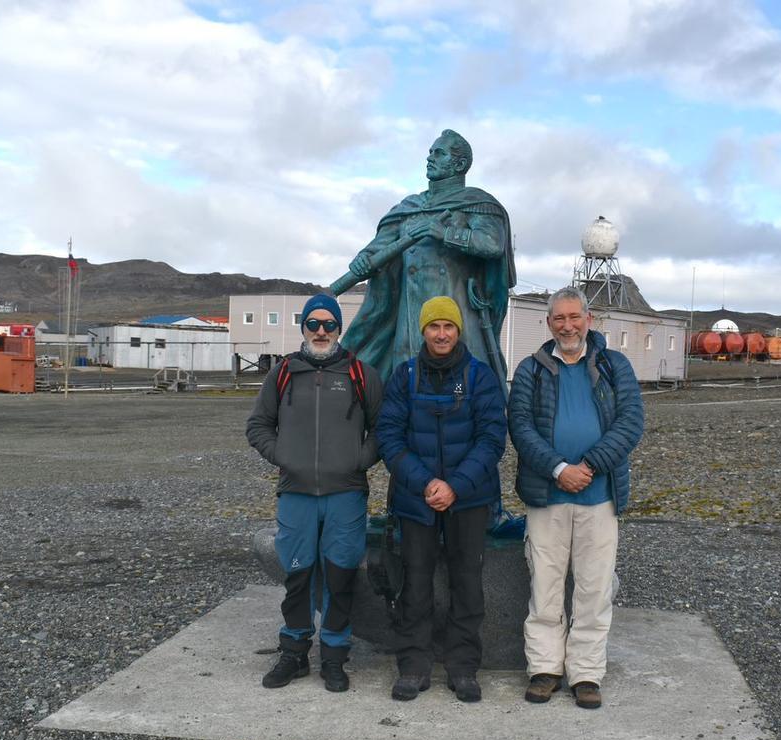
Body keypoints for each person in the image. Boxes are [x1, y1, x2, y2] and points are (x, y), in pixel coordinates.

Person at [506, 286, 643, 710]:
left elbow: (631, 422)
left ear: (589, 319)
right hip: (547, 497)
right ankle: (545, 668)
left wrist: (588, 466)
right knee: (544, 585)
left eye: (574, 317)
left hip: (599, 496)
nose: (567, 325)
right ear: (548, 324)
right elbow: (521, 427)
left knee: (593, 588)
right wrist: (558, 469)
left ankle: (586, 673)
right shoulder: (531, 370)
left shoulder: (615, 365)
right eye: (559, 319)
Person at [245, 294, 384, 693]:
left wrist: (360, 459)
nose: (321, 331)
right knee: (298, 573)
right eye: (313, 324)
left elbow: (383, 429)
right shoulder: (284, 373)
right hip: (297, 493)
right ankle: (293, 653)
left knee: (340, 575)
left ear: (339, 328)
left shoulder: (361, 374)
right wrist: (283, 456)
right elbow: (257, 425)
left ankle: (335, 656)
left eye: (329, 324)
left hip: (346, 493)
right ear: (303, 328)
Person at [375, 295, 507, 703]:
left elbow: (491, 439)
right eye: (434, 326)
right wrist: (427, 484)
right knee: (414, 582)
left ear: (457, 330)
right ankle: (413, 664)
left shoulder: (480, 377)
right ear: (424, 331)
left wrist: (455, 486)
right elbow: (389, 437)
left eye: (449, 326)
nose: (442, 333)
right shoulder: (405, 376)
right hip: (417, 501)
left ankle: (463, 666)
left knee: (467, 582)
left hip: (467, 500)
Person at [341, 130, 515, 390]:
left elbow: (492, 244)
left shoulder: (476, 202)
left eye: (439, 153)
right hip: (409, 321)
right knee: (405, 389)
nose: (430, 157)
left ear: (459, 164)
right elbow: (377, 248)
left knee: (468, 390)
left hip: (459, 318)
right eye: (430, 152)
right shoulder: (409, 207)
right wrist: (363, 259)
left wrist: (444, 233)